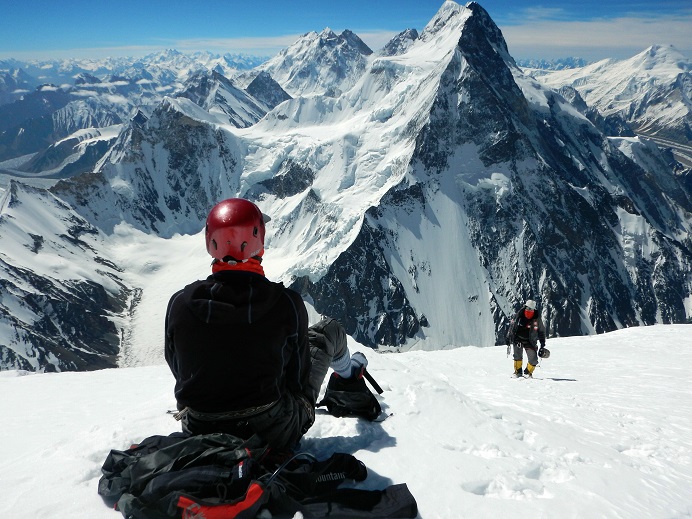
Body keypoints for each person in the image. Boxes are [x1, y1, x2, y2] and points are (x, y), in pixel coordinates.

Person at [164, 198, 380, 453]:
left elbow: (177, 366)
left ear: (211, 243)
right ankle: (349, 380)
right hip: (272, 435)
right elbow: (298, 380)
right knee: (328, 331)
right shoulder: (285, 304)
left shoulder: (180, 304)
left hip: (198, 434)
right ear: (258, 240)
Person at [505, 299, 547, 378]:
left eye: (530, 309)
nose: (528, 310)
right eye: (527, 308)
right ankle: (518, 372)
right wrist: (508, 337)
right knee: (517, 356)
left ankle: (528, 372)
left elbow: (541, 331)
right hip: (518, 339)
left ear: (534, 310)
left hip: (530, 341)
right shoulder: (519, 315)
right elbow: (512, 326)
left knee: (534, 359)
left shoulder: (536, 319)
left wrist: (542, 343)